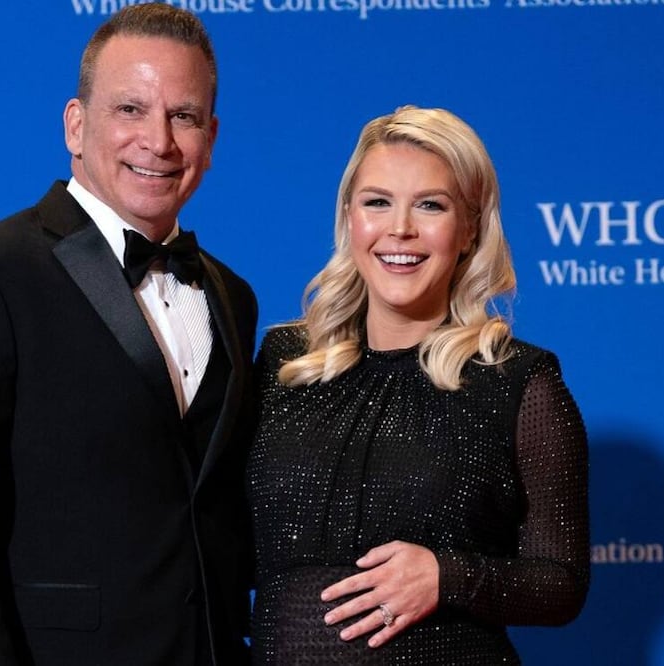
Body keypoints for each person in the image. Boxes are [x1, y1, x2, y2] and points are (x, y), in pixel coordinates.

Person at [0, 5, 257, 665]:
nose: (159, 141)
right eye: (130, 110)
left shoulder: (232, 296)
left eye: (184, 116)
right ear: (76, 124)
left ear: (212, 134)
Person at [247, 106, 589, 664]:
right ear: (349, 217)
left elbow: (563, 584)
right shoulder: (288, 364)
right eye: (377, 202)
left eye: (430, 205)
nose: (399, 229)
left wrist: (446, 575)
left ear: (469, 230)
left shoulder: (518, 382)